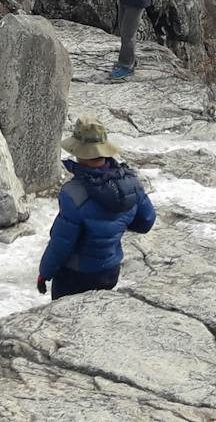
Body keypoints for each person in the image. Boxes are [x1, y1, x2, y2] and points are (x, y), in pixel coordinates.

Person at [37, 117, 156, 300]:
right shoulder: (131, 183)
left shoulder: (73, 193)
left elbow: (62, 244)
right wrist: (117, 224)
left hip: (75, 276)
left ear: (79, 152)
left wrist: (45, 273)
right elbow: (146, 221)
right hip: (110, 271)